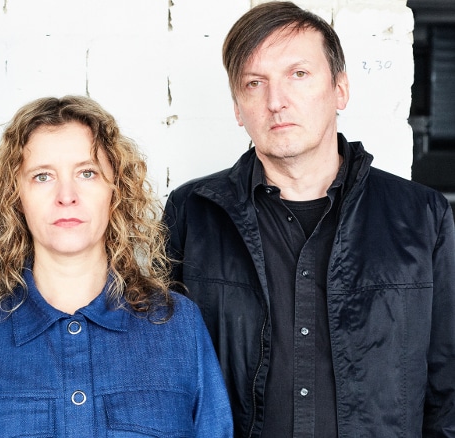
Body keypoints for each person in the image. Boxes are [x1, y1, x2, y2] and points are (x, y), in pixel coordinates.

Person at [163, 2, 455, 437]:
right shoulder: (193, 212)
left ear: (340, 89)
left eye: (298, 74)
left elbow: (448, 387)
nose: (276, 102)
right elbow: (166, 375)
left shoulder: (422, 216)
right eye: (254, 83)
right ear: (238, 108)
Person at [0, 95, 233, 437]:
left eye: (87, 173)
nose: (66, 195)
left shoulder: (179, 327)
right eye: (43, 176)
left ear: (116, 190)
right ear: (15, 197)